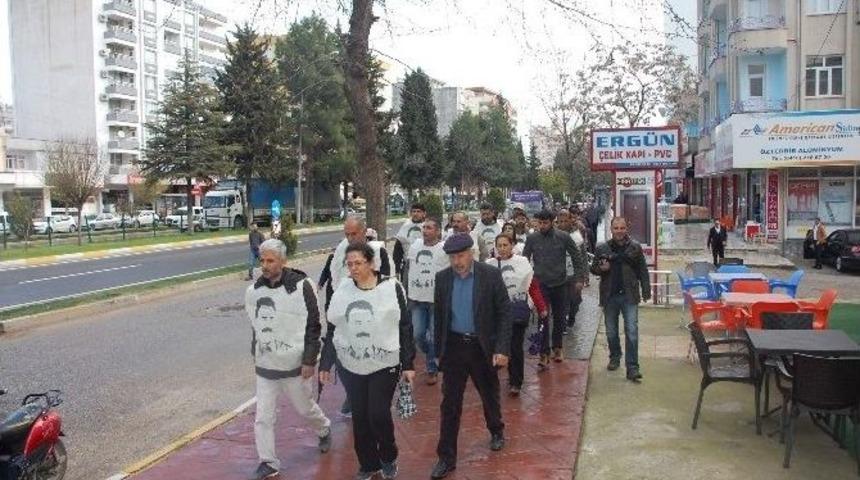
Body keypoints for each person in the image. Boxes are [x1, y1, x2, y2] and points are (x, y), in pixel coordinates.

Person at [320, 243, 416, 480]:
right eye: (349, 264)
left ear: (371, 263)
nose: (353, 268)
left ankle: (388, 456)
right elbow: (333, 328)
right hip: (351, 364)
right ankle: (368, 463)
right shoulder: (343, 289)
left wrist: (409, 363)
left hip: (385, 363)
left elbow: (405, 326)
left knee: (378, 414)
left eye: (358, 263)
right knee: (360, 418)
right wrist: (325, 363)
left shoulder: (392, 287)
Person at [245, 239, 331, 480]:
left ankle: (324, 428)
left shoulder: (302, 286)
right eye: (262, 260)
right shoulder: (254, 291)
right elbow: (256, 325)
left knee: (304, 409)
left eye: (270, 260)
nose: (265, 265)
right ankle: (268, 462)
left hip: (295, 366)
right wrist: (256, 351)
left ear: (283, 261)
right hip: (266, 367)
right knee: (263, 416)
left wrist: (309, 360)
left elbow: (314, 324)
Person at [430, 233, 512, 480]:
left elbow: (505, 313)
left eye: (461, 255)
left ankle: (496, 430)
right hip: (454, 346)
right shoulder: (442, 279)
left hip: (481, 346)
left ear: (472, 253)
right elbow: (439, 317)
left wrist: (502, 348)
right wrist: (437, 352)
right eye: (452, 257)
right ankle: (446, 457)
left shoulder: (490, 275)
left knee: (489, 394)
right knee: (450, 404)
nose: (457, 261)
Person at [522, 209, 587, 367]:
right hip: (540, 285)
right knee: (542, 318)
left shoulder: (563, 237)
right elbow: (523, 261)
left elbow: (577, 257)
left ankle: (557, 347)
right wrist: (525, 282)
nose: (542, 226)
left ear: (552, 222)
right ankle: (543, 353)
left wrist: (579, 278)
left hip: (560, 284)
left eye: (545, 223)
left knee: (559, 318)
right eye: (540, 223)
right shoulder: (532, 239)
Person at [590, 217, 651, 383]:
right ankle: (615, 356)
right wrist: (601, 269)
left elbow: (642, 271)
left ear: (626, 229)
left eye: (622, 228)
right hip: (609, 296)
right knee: (611, 331)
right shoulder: (603, 248)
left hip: (629, 296)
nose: (619, 231)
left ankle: (632, 367)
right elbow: (593, 268)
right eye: (616, 228)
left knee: (632, 331)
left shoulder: (635, 248)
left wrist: (646, 290)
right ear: (611, 229)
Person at [487, 233, 547, 396]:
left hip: (516, 311)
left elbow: (532, 286)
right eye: (499, 245)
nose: (502, 248)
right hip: (495, 313)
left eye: (505, 245)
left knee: (515, 347)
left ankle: (516, 381)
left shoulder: (523, 263)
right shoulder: (489, 265)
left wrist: (541, 307)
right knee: (494, 346)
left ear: (512, 245)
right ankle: (491, 378)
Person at [406, 218, 449, 385]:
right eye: (424, 227)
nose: (425, 230)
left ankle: (432, 368)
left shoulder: (444, 249)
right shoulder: (415, 245)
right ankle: (435, 354)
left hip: (435, 300)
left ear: (438, 231)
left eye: (429, 228)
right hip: (416, 298)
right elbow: (408, 269)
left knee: (433, 337)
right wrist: (406, 291)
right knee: (418, 335)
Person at [556, 210, 587, 335]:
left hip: (574, 274)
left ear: (570, 221)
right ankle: (562, 323)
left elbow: (583, 256)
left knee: (575, 300)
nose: (563, 224)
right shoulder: (553, 236)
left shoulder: (577, 237)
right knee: (561, 302)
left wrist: (584, 275)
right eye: (560, 221)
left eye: (565, 221)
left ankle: (572, 316)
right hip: (559, 275)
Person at [393, 203, 427, 280]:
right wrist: (396, 269)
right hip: (408, 265)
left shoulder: (429, 226)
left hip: (425, 265)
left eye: (418, 211)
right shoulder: (405, 226)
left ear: (424, 213)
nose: (415, 214)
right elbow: (398, 250)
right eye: (413, 211)